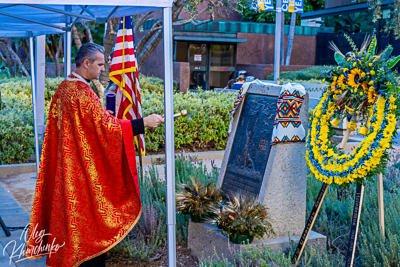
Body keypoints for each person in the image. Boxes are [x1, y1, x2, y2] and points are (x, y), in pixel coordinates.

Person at [24, 43, 164, 267]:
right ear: (86, 63)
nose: (102, 70)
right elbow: (106, 130)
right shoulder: (82, 92)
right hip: (81, 179)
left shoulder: (64, 87)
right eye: (99, 64)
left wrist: (102, 116)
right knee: (88, 233)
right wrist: (143, 123)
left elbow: (85, 129)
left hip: (67, 172)